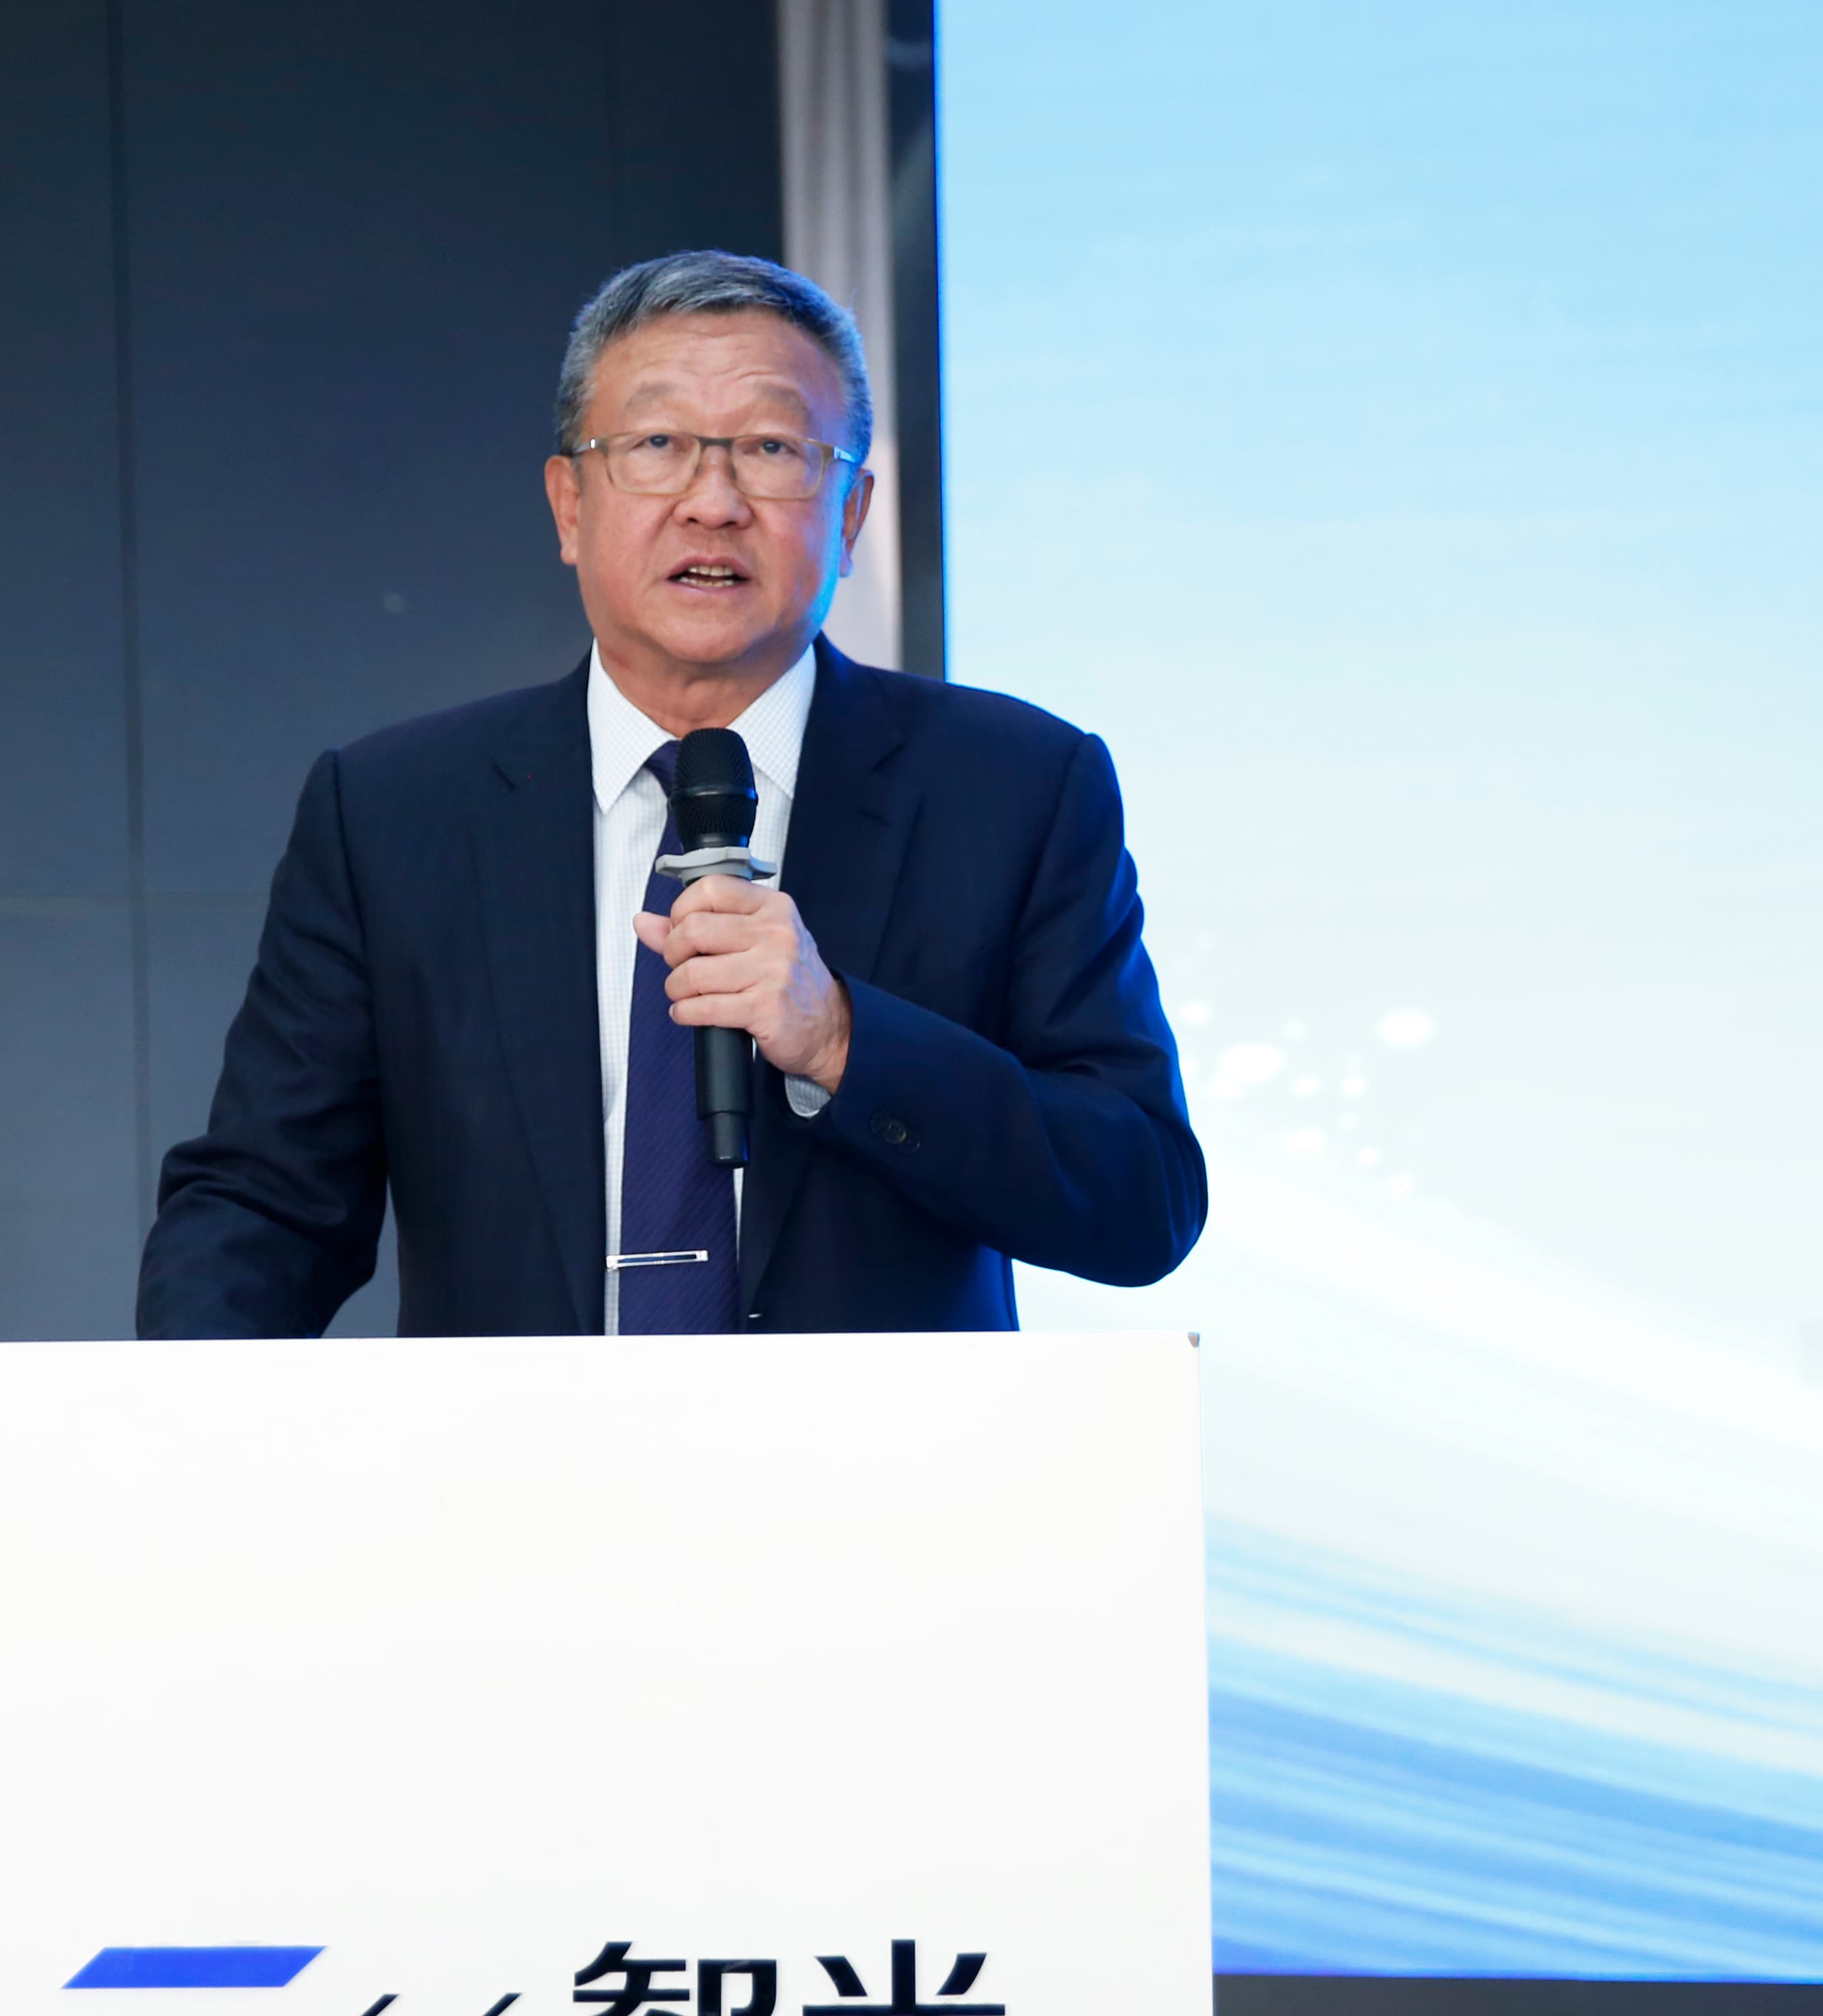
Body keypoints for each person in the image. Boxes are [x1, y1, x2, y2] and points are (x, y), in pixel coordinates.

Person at [136, 250, 1200, 1337]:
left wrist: (843, 1040)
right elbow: (264, 1208)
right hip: (514, 1451)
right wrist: (166, 1415)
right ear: (569, 506)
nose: (714, 503)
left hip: (877, 1451)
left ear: (849, 514)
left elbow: (1143, 1197)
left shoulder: (1016, 789)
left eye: (773, 449)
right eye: (656, 446)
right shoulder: (396, 812)